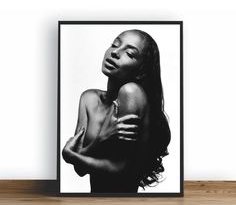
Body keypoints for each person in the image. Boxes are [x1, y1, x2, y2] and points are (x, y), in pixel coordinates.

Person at [62, 29, 171, 193]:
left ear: (141, 71)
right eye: (115, 45)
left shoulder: (131, 93)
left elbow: (124, 171)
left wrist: (71, 155)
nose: (115, 53)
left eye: (129, 53)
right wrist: (101, 139)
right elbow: (80, 169)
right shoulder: (89, 98)